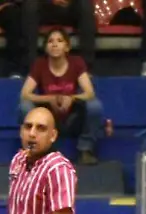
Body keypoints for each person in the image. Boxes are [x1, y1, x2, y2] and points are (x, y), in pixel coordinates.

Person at [19, 29, 106, 165]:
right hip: (48, 119)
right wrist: (49, 98)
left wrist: (72, 98)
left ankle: (85, 150)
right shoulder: (40, 64)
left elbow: (89, 93)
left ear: (67, 47)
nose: (54, 44)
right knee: (24, 107)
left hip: (72, 118)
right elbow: (25, 94)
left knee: (94, 105)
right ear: (46, 47)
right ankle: (36, 151)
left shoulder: (76, 62)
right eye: (50, 41)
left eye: (59, 41)